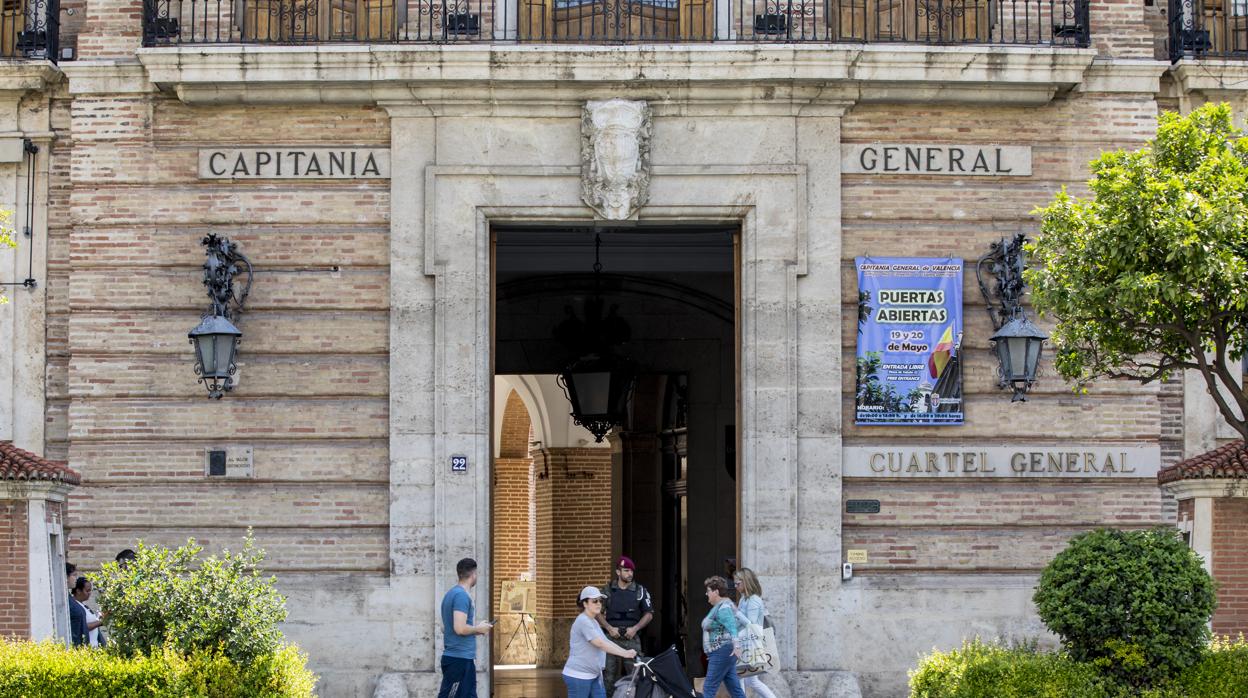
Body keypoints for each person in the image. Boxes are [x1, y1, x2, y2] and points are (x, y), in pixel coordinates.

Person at [564, 586, 638, 698]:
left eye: (600, 601)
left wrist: (626, 651)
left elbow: (605, 641)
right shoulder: (583, 621)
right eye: (594, 601)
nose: (599, 604)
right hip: (579, 676)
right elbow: (600, 643)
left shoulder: (593, 621)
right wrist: (625, 654)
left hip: (594, 674)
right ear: (585, 604)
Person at [437, 557, 492, 698]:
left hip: (461, 659)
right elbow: (459, 628)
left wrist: (477, 630)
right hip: (458, 660)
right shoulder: (461, 596)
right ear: (473, 574)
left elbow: (445, 628)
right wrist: (478, 629)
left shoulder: (450, 594)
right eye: (477, 574)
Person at [599, 555, 652, 692]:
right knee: (608, 677)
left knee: (635, 675)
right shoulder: (607, 590)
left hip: (631, 638)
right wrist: (609, 628)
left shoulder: (640, 590)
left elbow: (649, 613)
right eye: (626, 570)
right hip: (611, 638)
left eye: (631, 571)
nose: (630, 574)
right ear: (618, 572)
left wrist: (635, 628)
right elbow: (596, 612)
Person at [733, 568, 777, 698]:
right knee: (749, 680)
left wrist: (737, 613)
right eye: (734, 583)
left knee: (743, 678)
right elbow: (741, 623)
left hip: (751, 644)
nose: (735, 586)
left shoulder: (754, 600)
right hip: (746, 643)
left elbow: (751, 624)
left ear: (746, 582)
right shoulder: (744, 599)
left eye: (738, 583)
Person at [700, 575, 746, 698]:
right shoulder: (723, 606)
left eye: (708, 591)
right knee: (735, 689)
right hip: (723, 651)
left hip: (722, 650)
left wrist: (736, 646)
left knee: (709, 688)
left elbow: (732, 627)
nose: (706, 594)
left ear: (716, 592)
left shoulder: (724, 607)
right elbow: (742, 622)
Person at [68, 576, 106, 647]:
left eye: (90, 590)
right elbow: (82, 626)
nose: (90, 593)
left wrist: (100, 617)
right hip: (87, 648)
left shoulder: (83, 605)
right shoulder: (76, 608)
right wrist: (101, 622)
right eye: (87, 591)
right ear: (78, 591)